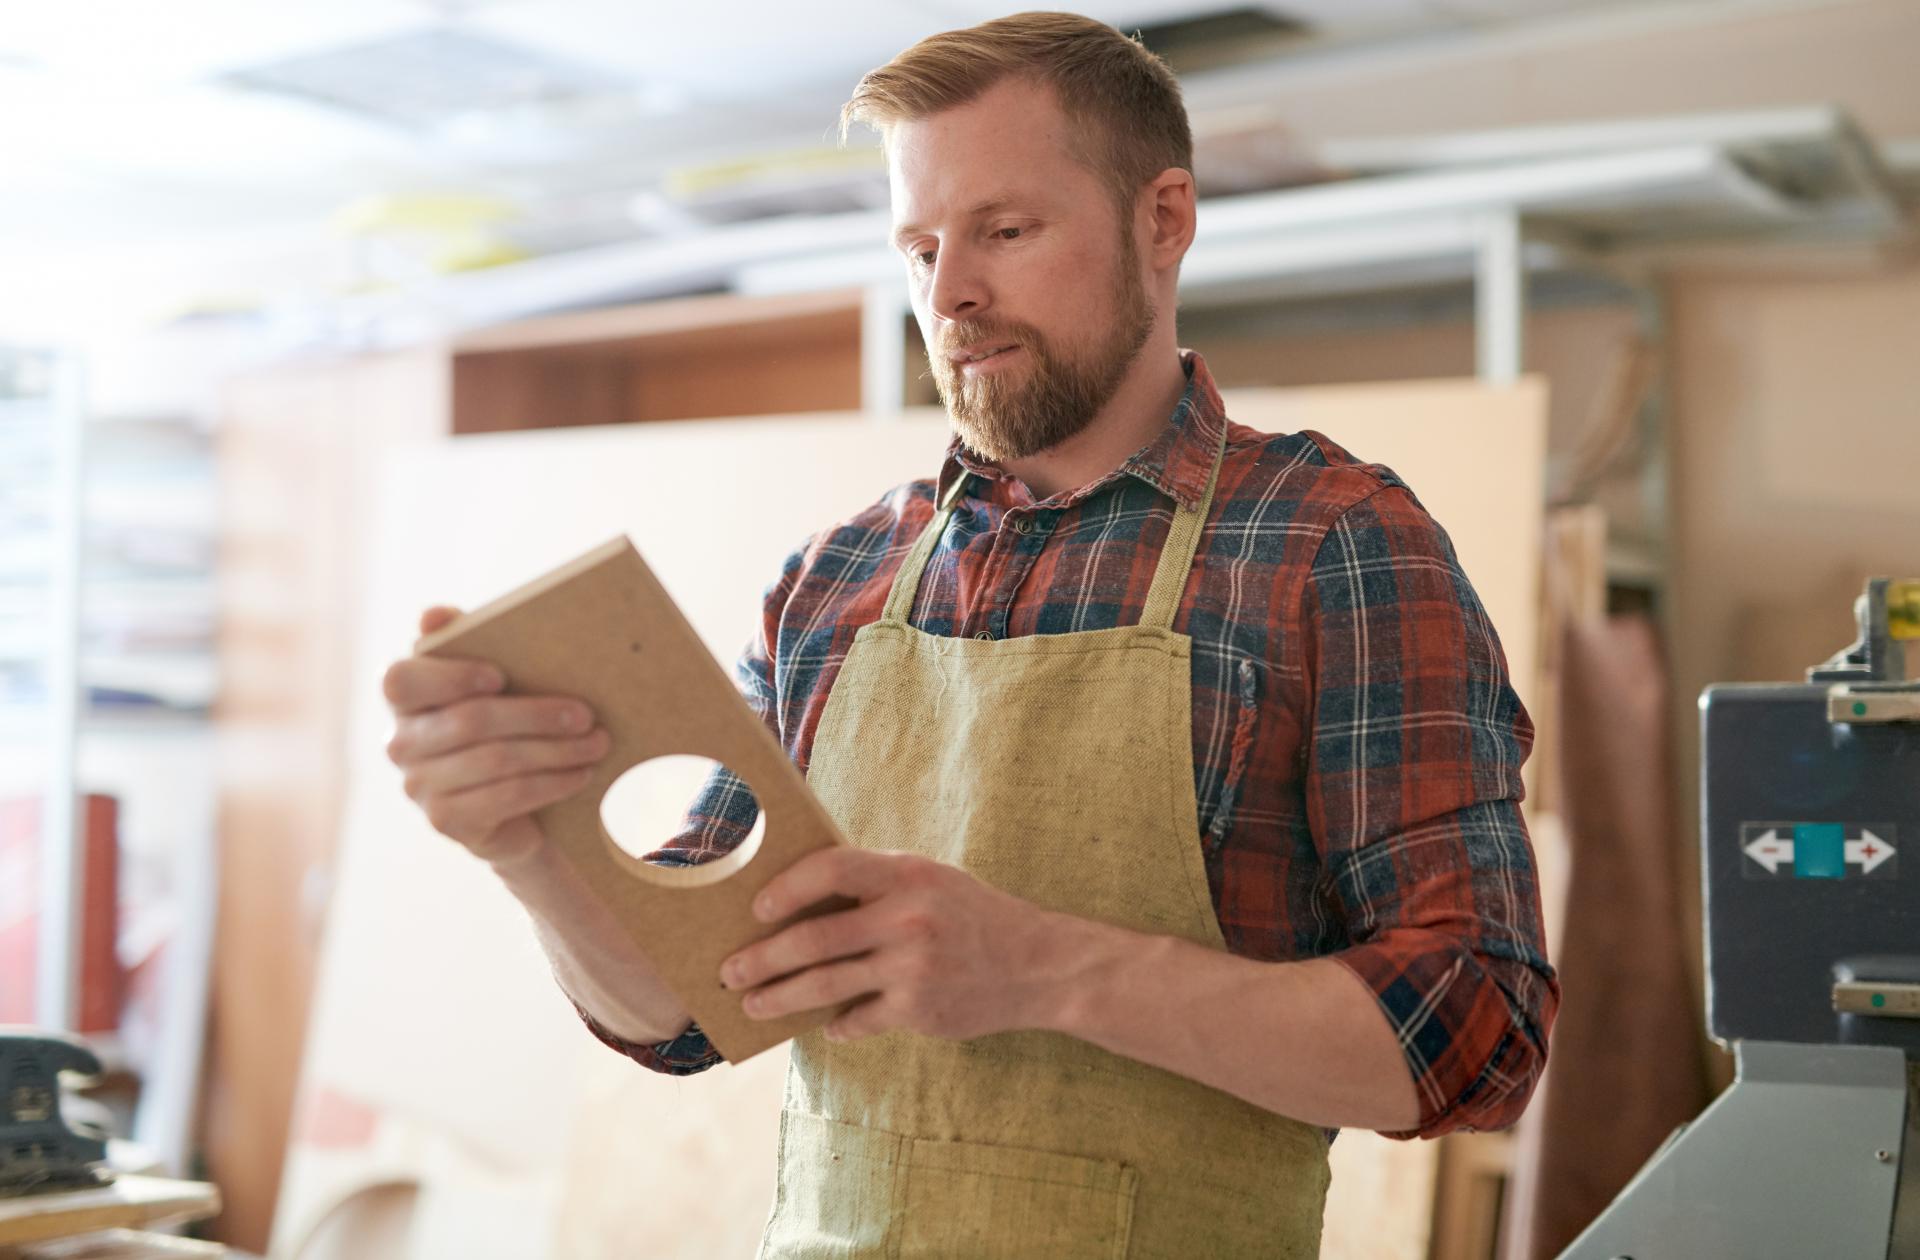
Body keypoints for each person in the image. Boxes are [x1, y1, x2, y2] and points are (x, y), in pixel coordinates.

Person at [381, 12, 1558, 1256]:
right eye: (920, 246)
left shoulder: (1332, 547)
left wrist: (1046, 971)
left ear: (1164, 221)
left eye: (1004, 230)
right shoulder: (838, 581)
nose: (949, 294)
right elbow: (685, 1010)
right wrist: (526, 853)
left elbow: (1474, 1034)